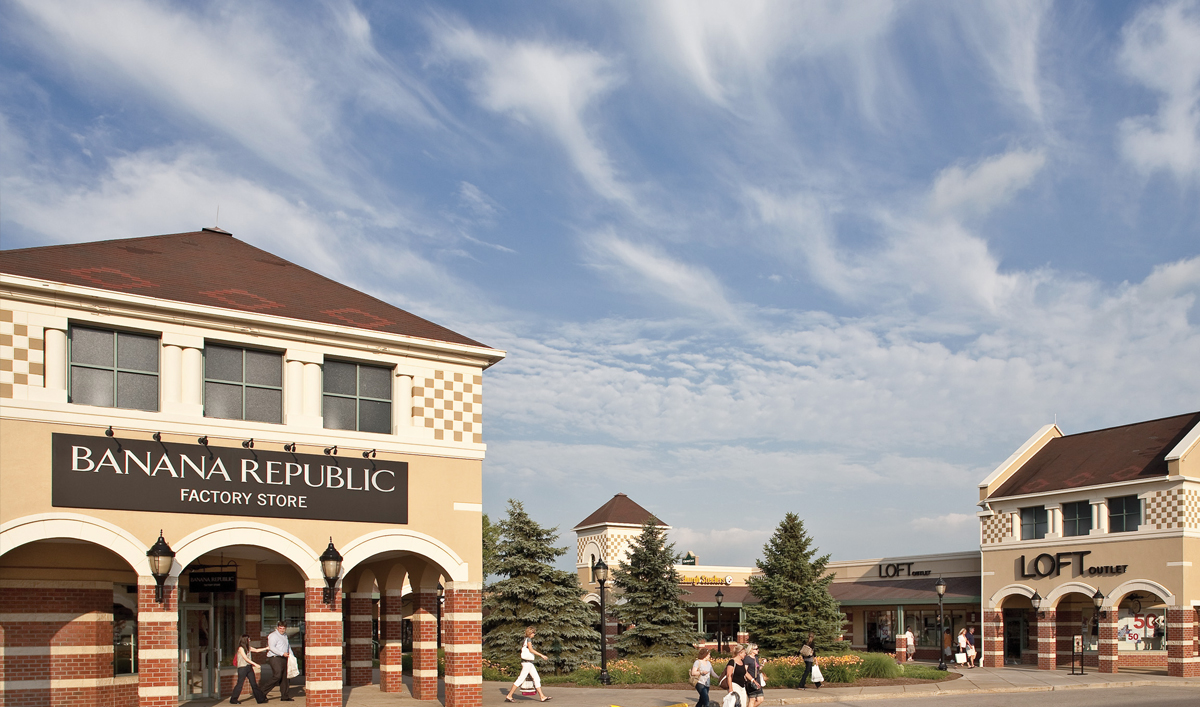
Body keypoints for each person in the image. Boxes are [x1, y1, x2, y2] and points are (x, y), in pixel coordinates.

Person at [505, 627, 551, 702]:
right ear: (530, 633)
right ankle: (509, 695)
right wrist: (541, 655)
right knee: (521, 679)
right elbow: (531, 650)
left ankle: (542, 696)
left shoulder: (526, 639)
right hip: (527, 663)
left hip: (529, 663)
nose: (534, 634)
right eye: (533, 633)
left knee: (536, 678)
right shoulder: (528, 639)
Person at [257, 621, 293, 701]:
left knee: (284, 677)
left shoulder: (285, 636)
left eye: (283, 628)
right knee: (277, 675)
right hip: (275, 658)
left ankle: (285, 696)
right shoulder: (273, 636)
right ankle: (262, 692)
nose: (282, 630)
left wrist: (291, 655)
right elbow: (272, 647)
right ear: (277, 628)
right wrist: (281, 653)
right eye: (280, 628)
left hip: (284, 657)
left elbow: (287, 646)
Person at [229, 634, 268, 704]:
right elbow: (245, 658)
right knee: (240, 684)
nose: (250, 640)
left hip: (249, 667)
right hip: (242, 668)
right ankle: (233, 699)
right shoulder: (241, 648)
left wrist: (266, 648)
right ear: (245, 640)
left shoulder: (248, 647)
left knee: (254, 684)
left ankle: (260, 699)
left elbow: (256, 650)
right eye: (248, 639)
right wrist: (255, 664)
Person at [722, 643, 749, 707]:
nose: (745, 655)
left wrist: (754, 681)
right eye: (744, 653)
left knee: (743, 704)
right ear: (740, 653)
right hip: (734, 685)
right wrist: (730, 688)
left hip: (742, 685)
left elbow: (745, 673)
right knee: (736, 703)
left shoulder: (742, 662)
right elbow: (729, 675)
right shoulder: (732, 662)